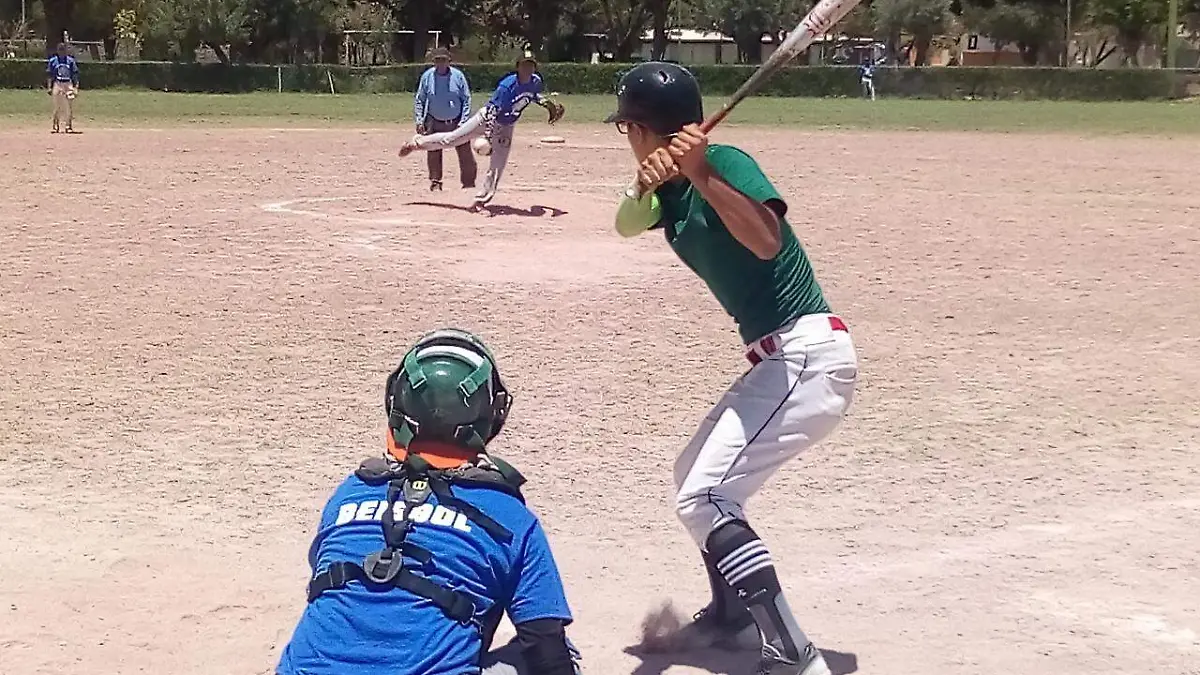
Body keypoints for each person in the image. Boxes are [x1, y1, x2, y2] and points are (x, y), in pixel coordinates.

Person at [606, 62, 858, 675]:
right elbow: (622, 223)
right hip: (781, 360)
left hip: (807, 356)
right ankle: (736, 616)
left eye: (627, 128)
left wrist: (702, 171)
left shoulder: (728, 164)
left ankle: (792, 652)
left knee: (704, 496)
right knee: (693, 473)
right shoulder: (669, 193)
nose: (626, 139)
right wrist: (652, 181)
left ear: (644, 127)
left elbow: (768, 239)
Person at [276, 328, 582, 675]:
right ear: (491, 415)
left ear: (396, 405)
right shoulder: (510, 516)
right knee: (525, 653)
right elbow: (544, 646)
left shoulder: (351, 491)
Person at [398, 51, 564, 209]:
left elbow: (532, 94)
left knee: (497, 166)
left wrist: (547, 104)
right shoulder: (507, 86)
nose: (527, 69)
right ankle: (416, 143)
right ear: (518, 66)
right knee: (451, 139)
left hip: (507, 126)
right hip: (485, 119)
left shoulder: (535, 81)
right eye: (524, 65)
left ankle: (481, 200)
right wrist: (489, 137)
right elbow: (493, 112)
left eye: (531, 65)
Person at [414, 48, 477, 192]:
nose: (440, 63)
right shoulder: (427, 77)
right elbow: (420, 99)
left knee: (465, 152)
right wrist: (419, 120)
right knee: (433, 151)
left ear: (449, 61)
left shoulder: (458, 76)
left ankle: (468, 183)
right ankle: (436, 181)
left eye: (443, 60)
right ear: (433, 62)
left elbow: (466, 99)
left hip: (456, 121)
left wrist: (463, 121)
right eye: (437, 60)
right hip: (434, 120)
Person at [46, 42, 80, 133]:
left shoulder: (70, 61)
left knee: (68, 107)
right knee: (57, 107)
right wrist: (49, 87)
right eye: (60, 50)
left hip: (68, 83)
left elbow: (75, 74)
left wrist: (76, 86)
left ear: (66, 51)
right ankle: (55, 126)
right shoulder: (53, 60)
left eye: (63, 50)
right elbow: (49, 74)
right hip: (58, 83)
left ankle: (68, 126)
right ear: (57, 51)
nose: (62, 52)